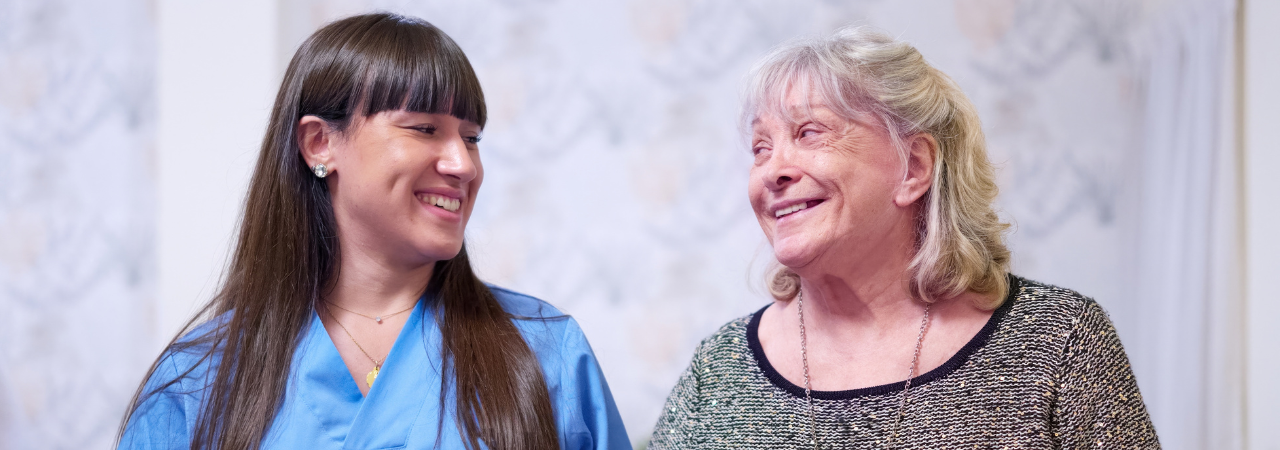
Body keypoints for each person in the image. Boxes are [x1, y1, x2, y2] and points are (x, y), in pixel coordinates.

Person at [117, 13, 629, 450]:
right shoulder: (197, 383)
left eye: (471, 139)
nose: (463, 164)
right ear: (319, 143)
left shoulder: (546, 354)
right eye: (424, 129)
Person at [649, 27, 1159, 449]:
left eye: (809, 133)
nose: (772, 171)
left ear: (913, 167)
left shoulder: (1058, 343)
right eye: (761, 147)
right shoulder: (717, 372)